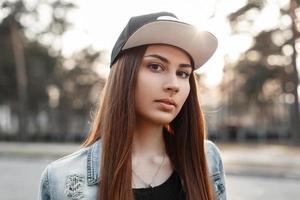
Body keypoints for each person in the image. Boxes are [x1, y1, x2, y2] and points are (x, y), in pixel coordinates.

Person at [38, 12, 226, 200]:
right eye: (155, 66)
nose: (174, 84)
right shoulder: (62, 179)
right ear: (124, 74)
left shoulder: (207, 159)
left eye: (183, 73)